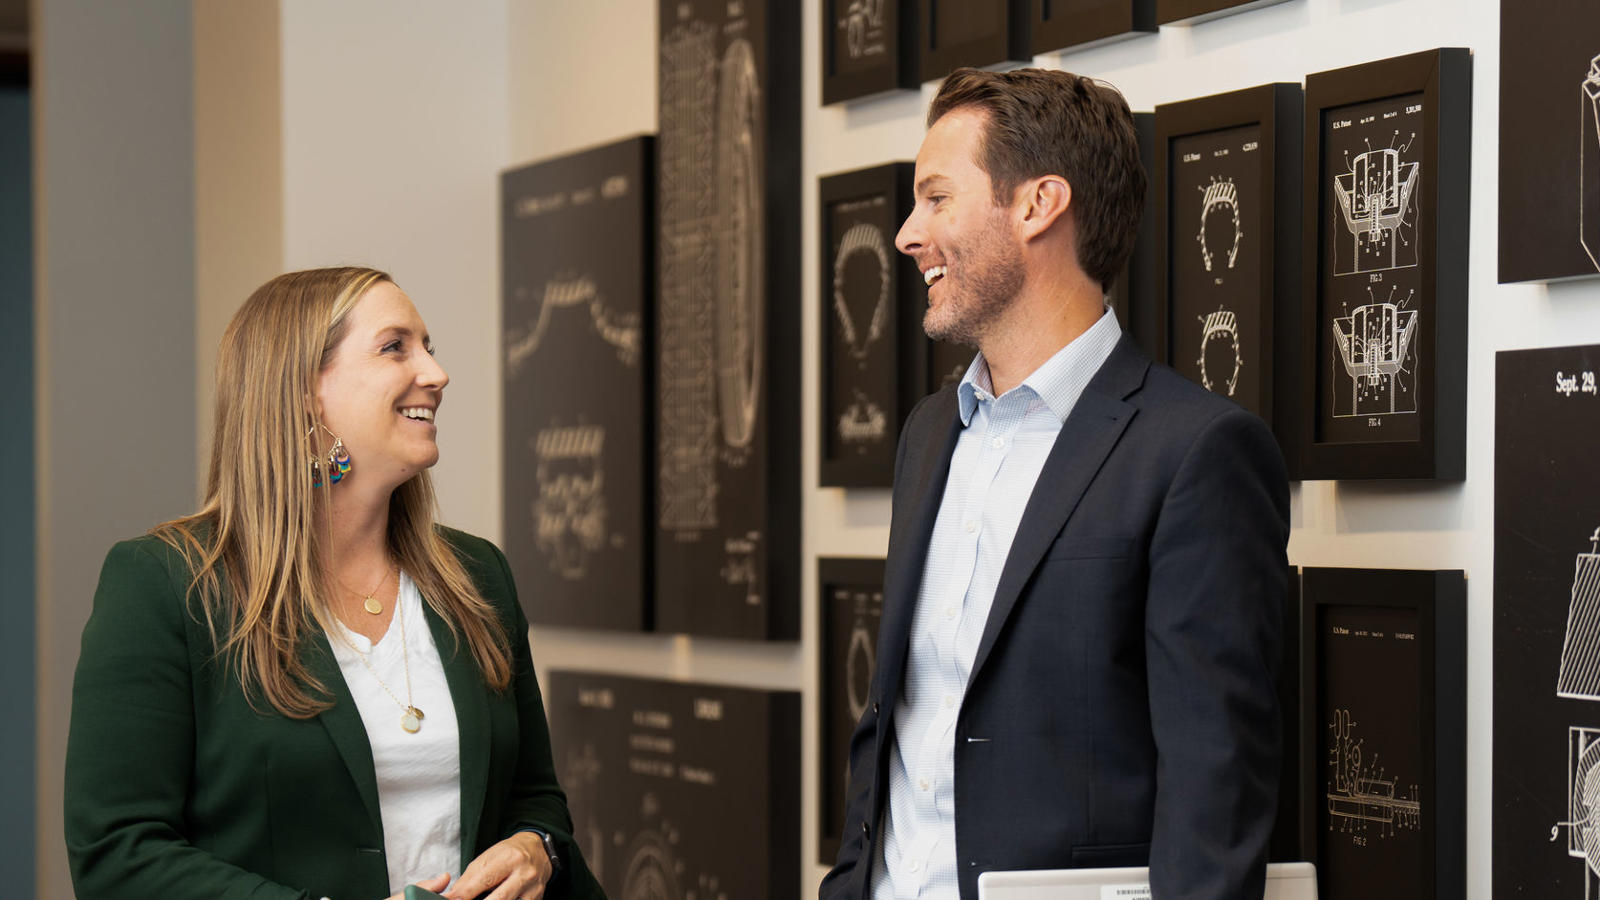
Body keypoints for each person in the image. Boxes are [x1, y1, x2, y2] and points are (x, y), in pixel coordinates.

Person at [819, 68, 1289, 900]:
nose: (905, 234)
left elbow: (1213, 800)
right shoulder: (930, 435)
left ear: (1038, 205)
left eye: (935, 199)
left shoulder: (1197, 454)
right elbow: (893, 725)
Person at [64, 267, 606, 900]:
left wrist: (533, 850)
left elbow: (536, 799)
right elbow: (118, 853)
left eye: (429, 346)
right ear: (301, 392)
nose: (435, 373)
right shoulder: (166, 585)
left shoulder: (478, 575)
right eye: (394, 346)